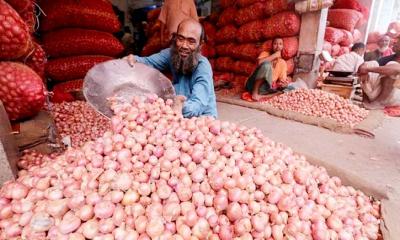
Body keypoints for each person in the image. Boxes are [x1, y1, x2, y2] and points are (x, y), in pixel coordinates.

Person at [126, 18, 217, 118]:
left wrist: (181, 106)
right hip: (176, 113)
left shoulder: (203, 66)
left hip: (202, 119)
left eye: (191, 41)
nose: (184, 46)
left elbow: (198, 104)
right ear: (175, 38)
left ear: (200, 44)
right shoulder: (171, 53)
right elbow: (148, 62)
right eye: (181, 39)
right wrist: (134, 59)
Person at [358, 38, 400, 109]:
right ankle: (366, 99)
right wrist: (365, 68)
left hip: (396, 96)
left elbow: (396, 69)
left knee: (392, 65)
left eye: (398, 42)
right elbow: (364, 66)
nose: (394, 43)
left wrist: (368, 69)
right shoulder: (391, 57)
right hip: (379, 95)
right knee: (370, 64)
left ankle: (380, 102)